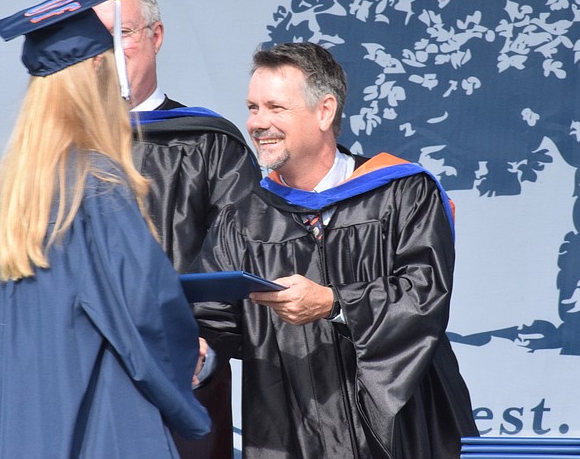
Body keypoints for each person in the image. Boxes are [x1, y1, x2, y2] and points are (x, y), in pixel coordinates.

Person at [194, 42, 478, 458]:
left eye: (275, 108)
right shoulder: (243, 219)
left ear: (325, 111)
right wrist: (199, 349)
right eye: (253, 107)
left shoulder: (402, 193)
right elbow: (215, 319)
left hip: (399, 430)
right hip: (292, 431)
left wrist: (333, 302)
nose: (257, 123)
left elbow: (423, 295)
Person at [0, 0, 211, 458]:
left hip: (14, 430)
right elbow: (147, 311)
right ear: (96, 69)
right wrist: (195, 357)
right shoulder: (96, 187)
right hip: (98, 425)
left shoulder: (13, 201)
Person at [79, 0, 261, 458]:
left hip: (183, 376)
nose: (108, 52)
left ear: (155, 37)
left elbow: (237, 253)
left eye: (122, 34)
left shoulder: (207, 143)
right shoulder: (54, 151)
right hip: (76, 378)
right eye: (92, 38)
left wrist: (203, 341)